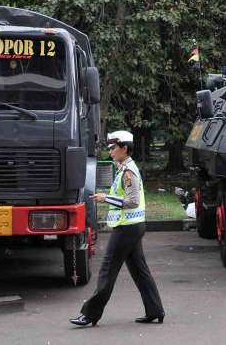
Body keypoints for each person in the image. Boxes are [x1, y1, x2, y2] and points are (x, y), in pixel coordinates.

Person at [69, 130, 165, 327]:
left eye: (113, 148)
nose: (110, 151)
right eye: (110, 148)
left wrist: (106, 198)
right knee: (140, 271)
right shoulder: (124, 168)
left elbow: (132, 201)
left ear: (125, 149)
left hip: (127, 228)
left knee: (107, 271)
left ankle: (89, 314)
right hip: (133, 226)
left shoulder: (128, 172)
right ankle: (155, 310)